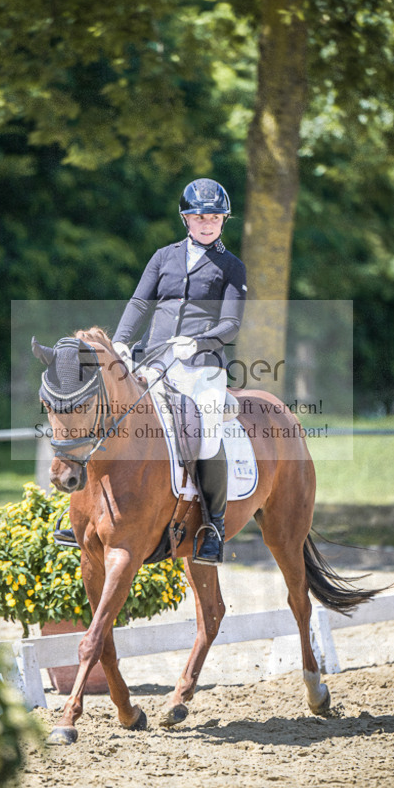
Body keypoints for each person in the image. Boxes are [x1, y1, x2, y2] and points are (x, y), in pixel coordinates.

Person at [112, 177, 247, 565]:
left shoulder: (231, 266)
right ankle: (89, 513)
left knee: (205, 436)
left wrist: (200, 342)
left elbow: (232, 324)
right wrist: (122, 340)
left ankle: (214, 526)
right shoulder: (163, 256)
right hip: (152, 359)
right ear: (186, 219)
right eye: (200, 217)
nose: (208, 223)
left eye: (215, 217)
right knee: (110, 415)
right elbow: (140, 302)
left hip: (202, 365)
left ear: (223, 221)